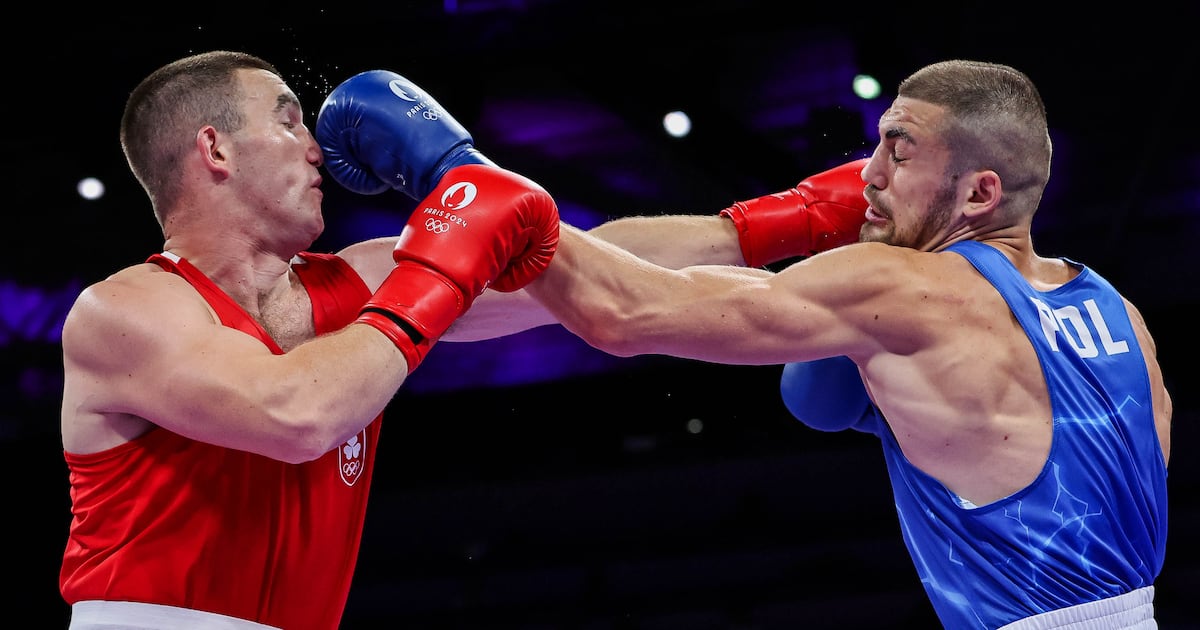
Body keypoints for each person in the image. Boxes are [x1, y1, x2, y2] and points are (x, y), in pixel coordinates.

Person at [511, 60, 1169, 629]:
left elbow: (625, 311)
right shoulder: (1120, 315)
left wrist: (482, 188)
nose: (867, 174)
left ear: (978, 192)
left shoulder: (902, 285)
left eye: (899, 151)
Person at [57, 51, 560, 630]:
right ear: (215, 149)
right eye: (288, 121)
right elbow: (297, 415)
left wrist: (477, 185)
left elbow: (612, 271)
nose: (317, 147)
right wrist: (437, 273)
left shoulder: (360, 283)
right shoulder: (122, 310)